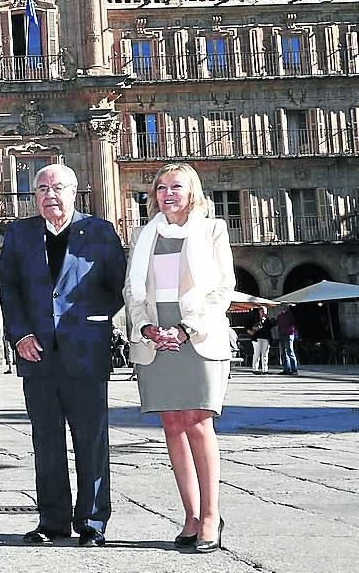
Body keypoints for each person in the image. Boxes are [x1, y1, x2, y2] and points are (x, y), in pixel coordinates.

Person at [0, 164, 126, 547]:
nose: (49, 195)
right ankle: (52, 522)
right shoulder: (19, 234)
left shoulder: (100, 232)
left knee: (92, 440)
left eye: (57, 187)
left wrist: (90, 319)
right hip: (37, 354)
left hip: (85, 350)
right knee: (46, 441)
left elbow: (118, 286)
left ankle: (92, 522)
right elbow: (9, 288)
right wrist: (19, 334)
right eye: (41, 188)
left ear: (74, 192)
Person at [126, 163, 234, 553]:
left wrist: (186, 327)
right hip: (155, 335)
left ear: (192, 192)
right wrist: (147, 329)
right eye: (160, 187)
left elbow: (223, 288)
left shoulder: (212, 229)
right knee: (172, 423)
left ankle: (210, 515)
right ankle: (189, 515)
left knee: (198, 421)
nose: (167, 193)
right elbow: (133, 293)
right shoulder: (144, 236)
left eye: (176, 186)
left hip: (198, 333)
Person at [248, 308, 271, 374]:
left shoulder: (267, 320)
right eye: (262, 311)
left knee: (265, 354)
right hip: (257, 338)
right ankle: (255, 369)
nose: (264, 313)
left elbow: (270, 327)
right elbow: (250, 327)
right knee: (257, 353)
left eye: (265, 311)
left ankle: (265, 370)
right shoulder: (255, 319)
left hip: (266, 338)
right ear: (259, 312)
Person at [276, 307, 299, 375]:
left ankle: (294, 369)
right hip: (282, 334)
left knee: (290, 351)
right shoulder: (280, 316)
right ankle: (286, 369)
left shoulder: (290, 314)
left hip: (289, 334)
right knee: (284, 352)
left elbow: (293, 323)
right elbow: (277, 324)